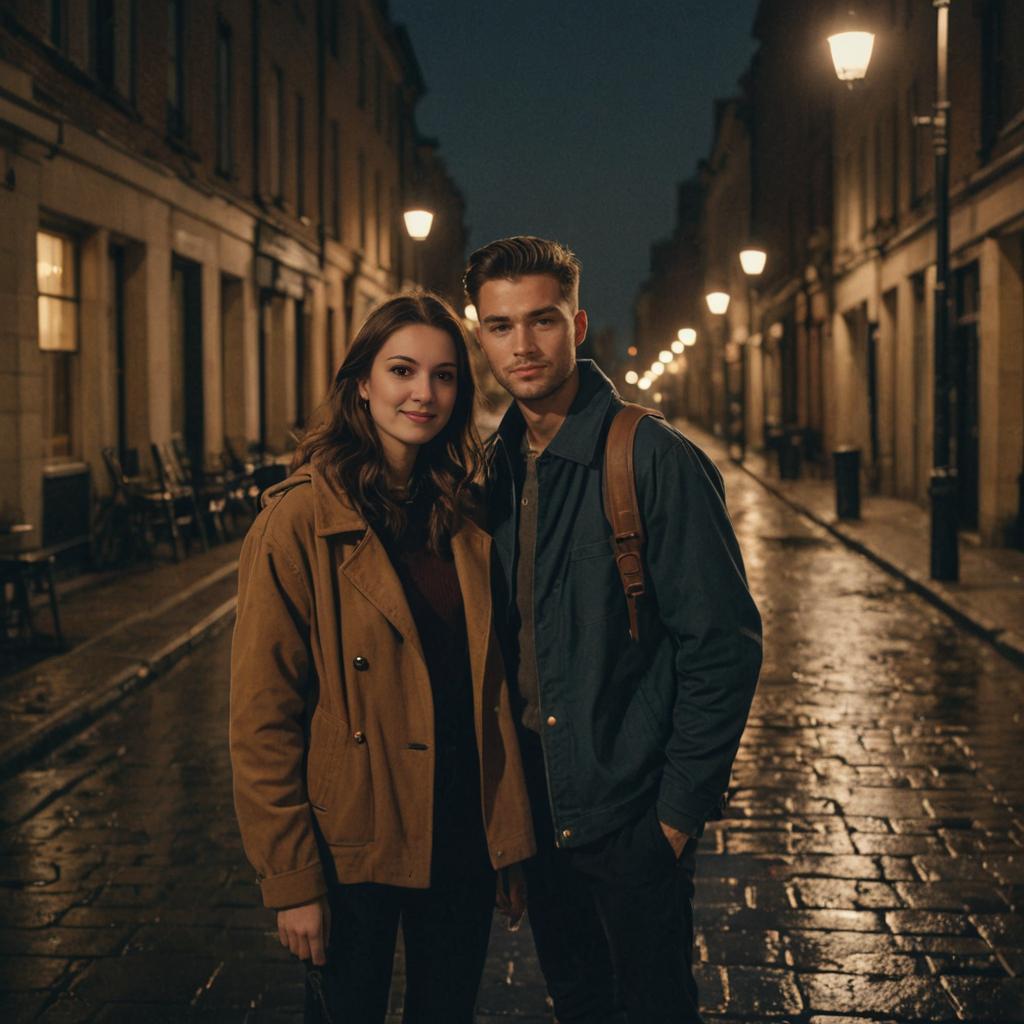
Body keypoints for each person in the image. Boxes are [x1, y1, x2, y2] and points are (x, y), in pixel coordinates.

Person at [465, 237, 763, 1024]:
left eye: (542, 321)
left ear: (578, 323)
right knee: (579, 1004)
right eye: (500, 326)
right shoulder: (492, 469)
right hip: (538, 815)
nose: (522, 346)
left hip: (630, 816)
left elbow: (724, 646)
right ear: (480, 334)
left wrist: (672, 817)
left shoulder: (652, 458)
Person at [229, 292, 535, 1024]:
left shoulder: (466, 510)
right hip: (352, 844)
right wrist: (293, 880)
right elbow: (263, 717)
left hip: (460, 833)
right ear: (362, 381)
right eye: (401, 371)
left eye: (443, 376)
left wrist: (508, 834)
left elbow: (488, 687)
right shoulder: (299, 519)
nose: (422, 394)